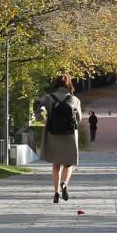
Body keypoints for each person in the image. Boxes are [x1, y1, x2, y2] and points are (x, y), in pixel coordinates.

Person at [34, 74, 83, 203]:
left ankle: (56, 192)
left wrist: (42, 118)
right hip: (69, 135)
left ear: (55, 84)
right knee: (68, 163)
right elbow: (79, 119)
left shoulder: (48, 97)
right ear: (69, 84)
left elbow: (37, 106)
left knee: (56, 165)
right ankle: (65, 184)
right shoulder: (74, 99)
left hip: (53, 133)